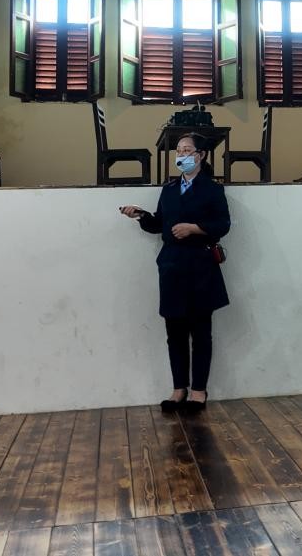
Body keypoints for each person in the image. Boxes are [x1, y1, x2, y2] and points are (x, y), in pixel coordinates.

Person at [117, 134, 231, 414]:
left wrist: (194, 228)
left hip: (200, 267)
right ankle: (179, 389)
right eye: (178, 151)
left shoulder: (212, 189)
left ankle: (199, 391)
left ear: (201, 155)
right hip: (171, 267)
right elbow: (160, 223)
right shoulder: (169, 189)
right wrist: (141, 215)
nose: (182, 155)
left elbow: (223, 224)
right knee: (175, 332)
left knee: (201, 333)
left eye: (187, 150)